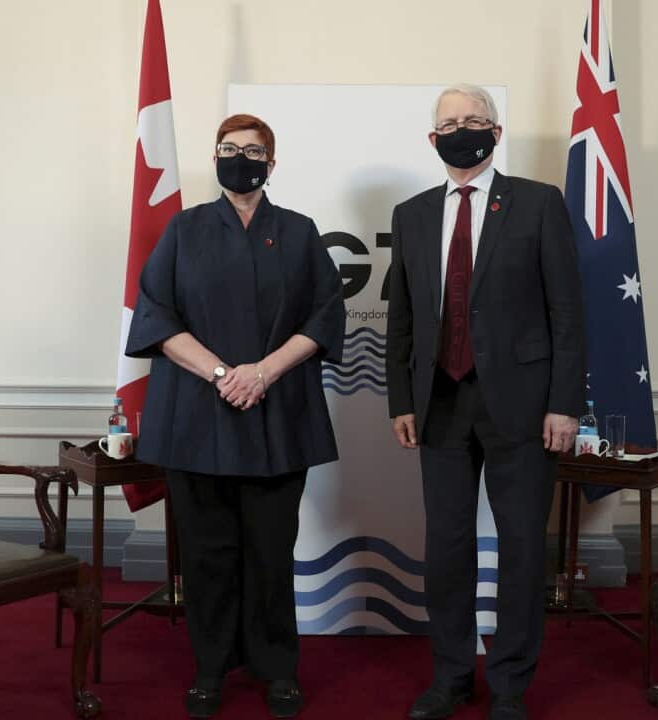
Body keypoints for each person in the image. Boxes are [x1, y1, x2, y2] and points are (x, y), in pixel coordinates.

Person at [125, 113, 345, 719]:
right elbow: (156, 319)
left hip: (278, 412)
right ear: (214, 157)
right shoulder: (183, 230)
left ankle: (277, 669)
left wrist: (262, 372)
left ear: (271, 165)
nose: (239, 158)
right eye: (228, 148)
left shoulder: (300, 233)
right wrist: (224, 374)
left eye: (252, 151)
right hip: (198, 414)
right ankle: (210, 667)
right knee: (206, 552)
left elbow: (325, 318)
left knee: (272, 551)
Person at [385, 85, 586, 720]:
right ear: (432, 137)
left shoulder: (537, 203)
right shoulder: (412, 214)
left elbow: (567, 313)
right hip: (439, 402)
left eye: (474, 120)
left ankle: (510, 685)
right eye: (450, 122)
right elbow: (404, 320)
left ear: (496, 133)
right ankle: (451, 675)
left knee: (524, 544)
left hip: (525, 407)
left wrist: (563, 404)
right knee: (445, 547)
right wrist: (401, 400)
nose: (461, 129)